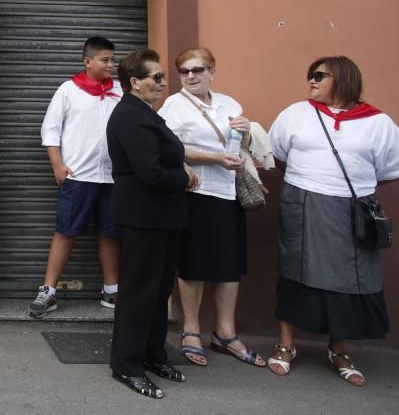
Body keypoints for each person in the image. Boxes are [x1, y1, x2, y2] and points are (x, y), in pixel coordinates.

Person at [267, 56, 399, 385]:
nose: (312, 81)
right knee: (294, 270)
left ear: (344, 79)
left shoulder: (377, 122)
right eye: (310, 75)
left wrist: (355, 190)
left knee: (349, 278)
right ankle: (286, 344)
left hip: (351, 209)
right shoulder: (296, 114)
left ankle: (339, 348)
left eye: (320, 76)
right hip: (302, 203)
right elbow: (277, 154)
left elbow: (392, 169)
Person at [158, 48, 266, 369]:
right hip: (195, 192)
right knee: (193, 264)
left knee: (229, 265)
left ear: (212, 72)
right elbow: (168, 149)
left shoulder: (229, 104)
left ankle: (225, 333)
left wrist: (246, 135)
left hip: (229, 193)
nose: (191, 76)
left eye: (198, 70)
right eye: (185, 71)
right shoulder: (173, 107)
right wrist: (215, 159)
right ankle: (190, 330)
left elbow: (238, 146)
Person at [107, 49, 198, 399]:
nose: (164, 83)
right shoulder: (130, 116)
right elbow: (149, 172)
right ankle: (127, 365)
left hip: (162, 217)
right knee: (138, 292)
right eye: (157, 77)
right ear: (135, 82)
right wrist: (183, 177)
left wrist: (179, 172)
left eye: (162, 77)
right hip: (144, 216)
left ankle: (152, 354)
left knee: (159, 292)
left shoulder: (145, 113)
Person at [29, 36, 122, 317]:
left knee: (111, 232)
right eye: (105, 60)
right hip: (78, 176)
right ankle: (49, 291)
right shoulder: (68, 90)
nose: (111, 65)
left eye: (112, 60)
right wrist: (57, 164)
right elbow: (51, 130)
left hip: (114, 178)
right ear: (87, 61)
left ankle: (111, 290)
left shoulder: (120, 90)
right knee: (66, 231)